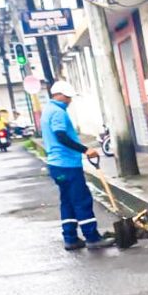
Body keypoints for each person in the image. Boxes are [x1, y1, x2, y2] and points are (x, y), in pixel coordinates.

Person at [41, 80, 115, 250]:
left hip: (56, 165)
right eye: (67, 97)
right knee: (81, 200)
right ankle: (92, 238)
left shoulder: (47, 110)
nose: (69, 100)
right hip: (67, 164)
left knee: (67, 201)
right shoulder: (58, 112)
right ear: (59, 95)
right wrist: (85, 150)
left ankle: (70, 238)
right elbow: (61, 136)